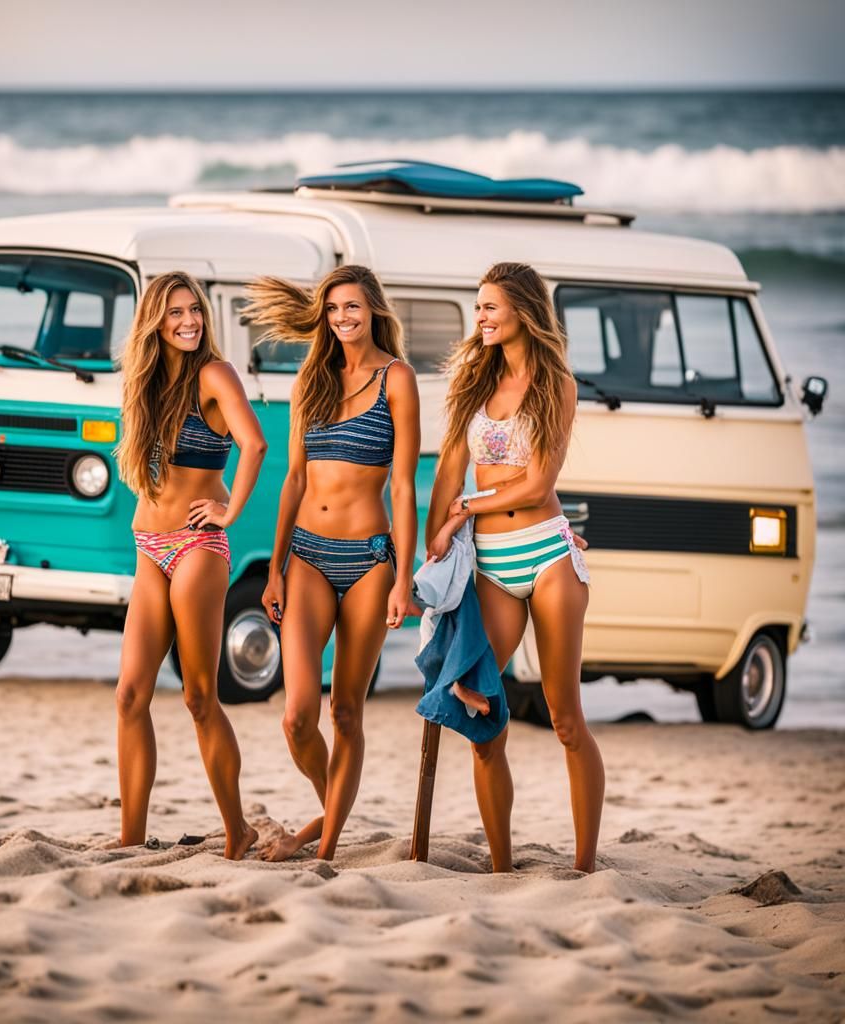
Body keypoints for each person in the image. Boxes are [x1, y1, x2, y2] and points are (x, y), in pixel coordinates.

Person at [425, 261, 604, 873]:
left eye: (489, 307)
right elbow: (448, 471)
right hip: (493, 563)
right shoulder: (474, 387)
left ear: (522, 311)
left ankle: (583, 867)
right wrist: (434, 548)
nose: (480, 318)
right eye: (477, 308)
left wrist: (464, 509)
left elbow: (536, 484)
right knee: (480, 706)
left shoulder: (558, 386)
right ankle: (500, 867)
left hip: (549, 553)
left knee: (564, 716)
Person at [243, 265, 420, 862]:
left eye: (354, 307)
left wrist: (404, 575)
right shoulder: (310, 379)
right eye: (335, 309)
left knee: (346, 710)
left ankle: (326, 846)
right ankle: (331, 805)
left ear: (374, 310)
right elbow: (293, 478)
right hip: (308, 557)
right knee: (297, 717)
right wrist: (273, 566)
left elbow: (402, 486)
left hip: (369, 558)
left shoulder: (397, 379)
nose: (344, 318)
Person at [113, 271, 267, 859]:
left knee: (200, 696)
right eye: (175, 312)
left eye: (194, 311)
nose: (188, 321)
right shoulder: (146, 384)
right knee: (130, 695)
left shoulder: (214, 374)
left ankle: (237, 829)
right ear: (155, 320)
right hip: (149, 549)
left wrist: (229, 512)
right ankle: (129, 839)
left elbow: (254, 445)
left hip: (197, 547)